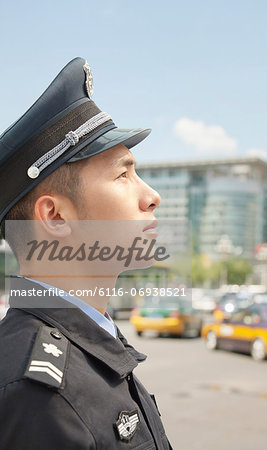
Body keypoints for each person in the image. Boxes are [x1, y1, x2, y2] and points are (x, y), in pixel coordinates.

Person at [0, 57, 173, 449]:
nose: (152, 197)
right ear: (56, 216)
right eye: (123, 174)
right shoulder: (39, 394)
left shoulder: (89, 347)